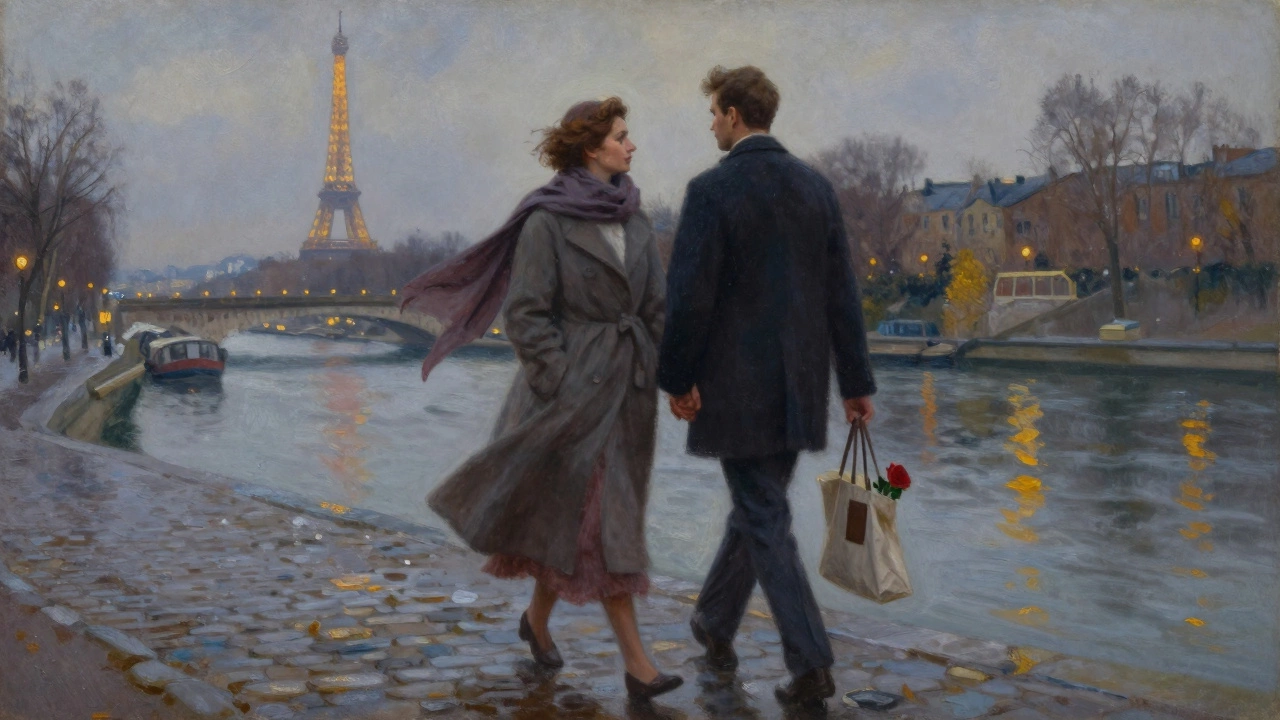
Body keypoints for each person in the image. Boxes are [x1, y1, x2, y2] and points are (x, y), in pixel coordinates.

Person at [400, 98, 681, 702]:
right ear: (591, 148)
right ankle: (638, 667)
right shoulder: (546, 222)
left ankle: (537, 622)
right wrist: (560, 379)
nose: (632, 147)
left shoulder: (637, 221)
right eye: (622, 137)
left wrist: (670, 378)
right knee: (601, 524)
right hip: (567, 402)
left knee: (572, 519)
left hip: (625, 398)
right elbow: (526, 314)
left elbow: (657, 311)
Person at [658, 65, 878, 709]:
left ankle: (811, 662)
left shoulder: (711, 191)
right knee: (762, 509)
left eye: (714, 113)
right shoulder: (816, 189)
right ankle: (714, 619)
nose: (711, 124)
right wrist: (855, 382)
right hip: (802, 387)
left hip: (736, 388)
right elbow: (843, 296)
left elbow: (690, 300)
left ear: (732, 114)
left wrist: (677, 378)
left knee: (761, 512)